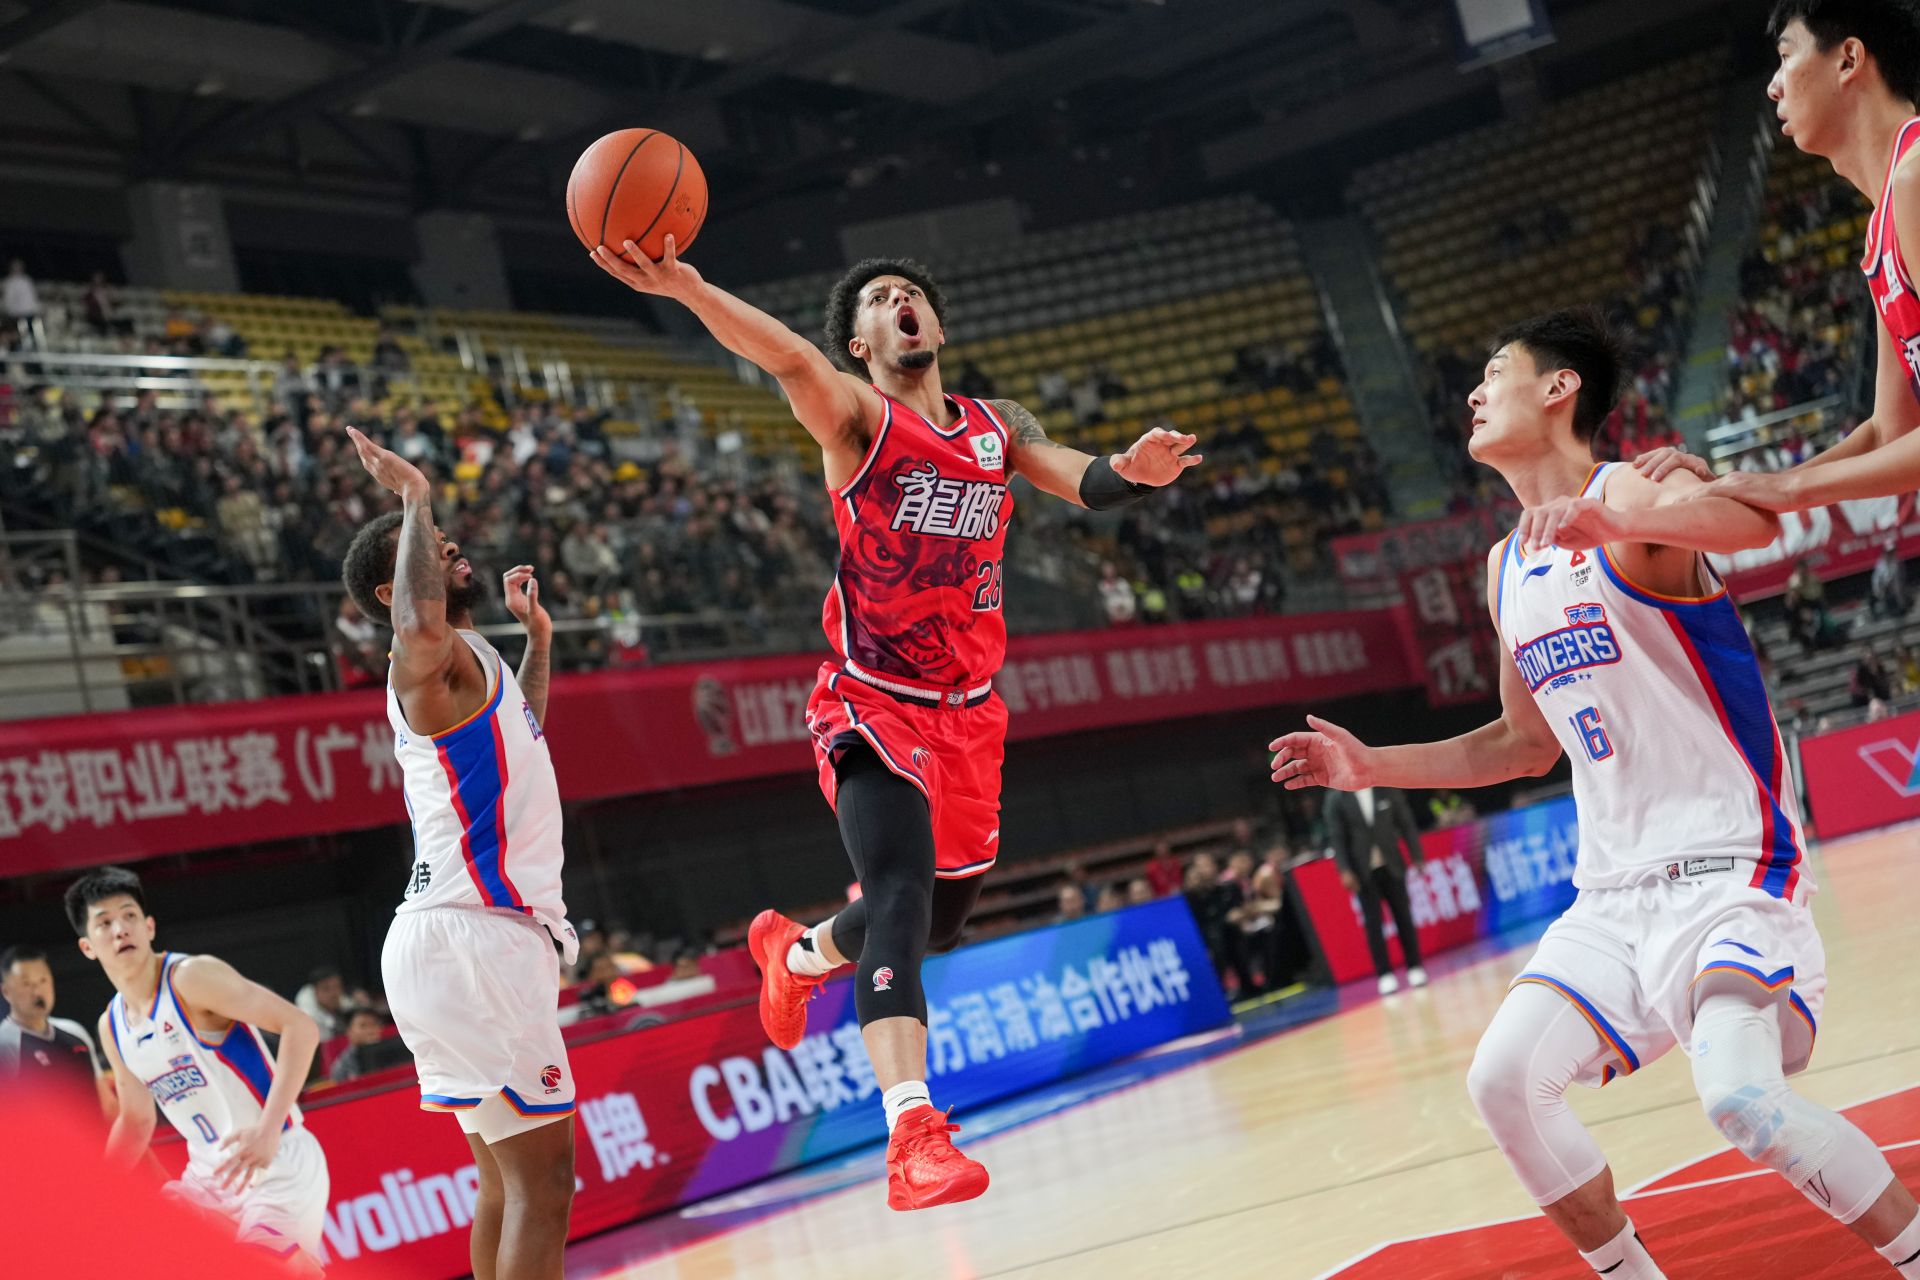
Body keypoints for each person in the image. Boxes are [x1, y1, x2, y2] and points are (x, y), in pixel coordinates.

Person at [1271, 307, 1920, 1279]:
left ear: (1559, 387)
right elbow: (1520, 743)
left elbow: (1750, 518)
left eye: (1495, 371)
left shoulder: (1628, 488)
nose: (1474, 392)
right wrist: (1374, 766)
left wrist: (1630, 516)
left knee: (1741, 1099)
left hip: (1730, 871)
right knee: (1502, 1080)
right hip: (1612, 896)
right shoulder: (1506, 565)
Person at [589, 238, 1198, 1211]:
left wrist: (1132, 470)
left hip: (971, 714)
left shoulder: (998, 425)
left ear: (936, 323)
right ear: (861, 343)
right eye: (878, 297)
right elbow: (788, 357)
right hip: (871, 699)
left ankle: (794, 954)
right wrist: (690, 287)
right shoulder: (855, 416)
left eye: (910, 290)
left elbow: (1077, 476)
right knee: (903, 897)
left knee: (938, 920)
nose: (899, 300)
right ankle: (912, 1136)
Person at [342, 425, 580, 1278]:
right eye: (429, 546)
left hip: (448, 938)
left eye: (443, 538)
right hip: (476, 936)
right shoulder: (423, 660)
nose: (446, 547)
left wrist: (537, 641)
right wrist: (412, 497)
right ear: (394, 591)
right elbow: (416, 623)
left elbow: (524, 734)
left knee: (504, 1186)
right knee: (546, 1186)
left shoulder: (477, 663)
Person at [1639, 2, 1920, 512]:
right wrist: (1743, 490)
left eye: (1786, 57)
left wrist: (1788, 490)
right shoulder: (1883, 222)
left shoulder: (1917, 177)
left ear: (1848, 59)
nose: (1773, 86)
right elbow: (1890, 434)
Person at [68, 867, 329, 1271]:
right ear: (87, 947)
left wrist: (267, 1129)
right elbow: (136, 1121)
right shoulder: (112, 1025)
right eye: (104, 923)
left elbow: (301, 1027)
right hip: (207, 1182)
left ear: (149, 927)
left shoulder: (190, 978)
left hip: (275, 1163)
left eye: (129, 916)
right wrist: (94, 1196)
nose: (120, 930)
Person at [1324, 785, 1429, 994]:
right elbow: (1337, 837)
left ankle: (1415, 967)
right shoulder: (1337, 797)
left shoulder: (1385, 788)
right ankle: (1384, 974)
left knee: (1403, 917)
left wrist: (1417, 855)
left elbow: (1406, 823)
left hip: (1392, 864)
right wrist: (1344, 869)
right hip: (1362, 871)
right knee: (1373, 924)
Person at [0, 943, 112, 1119]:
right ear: (6, 992)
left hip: (94, 1135)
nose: (37, 991)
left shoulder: (75, 1032)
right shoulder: (4, 1044)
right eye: (26, 984)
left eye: (43, 980)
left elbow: (108, 1104)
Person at [329, 1007, 411, 1083]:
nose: (370, 1030)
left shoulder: (395, 1050)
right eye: (363, 1026)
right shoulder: (342, 1066)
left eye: (374, 1024)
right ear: (349, 1031)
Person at [293, 966, 351, 1042]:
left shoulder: (348, 1005)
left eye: (337, 986)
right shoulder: (308, 1020)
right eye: (326, 988)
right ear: (315, 991)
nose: (334, 993)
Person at [1872, 543, 1912, 616]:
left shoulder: (1896, 562)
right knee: (1895, 584)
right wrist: (1878, 591)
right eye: (1889, 552)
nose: (1891, 554)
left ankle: (1902, 605)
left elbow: (1899, 575)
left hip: (1893, 584)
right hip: (1884, 587)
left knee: (1897, 584)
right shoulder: (1880, 564)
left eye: (1892, 552)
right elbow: (1876, 579)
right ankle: (1900, 605)